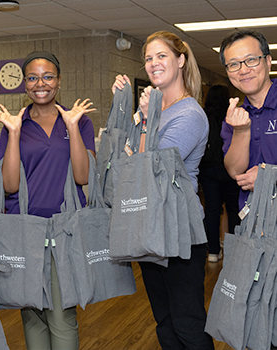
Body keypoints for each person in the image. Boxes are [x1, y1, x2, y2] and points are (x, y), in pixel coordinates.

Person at [112, 31, 214, 350]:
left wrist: (143, 121)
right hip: (150, 226)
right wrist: (141, 117)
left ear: (181, 60)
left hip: (180, 232)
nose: (153, 63)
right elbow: (123, 158)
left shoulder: (189, 114)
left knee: (187, 323)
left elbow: (149, 166)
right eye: (148, 58)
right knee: (165, 322)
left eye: (162, 56)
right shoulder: (153, 110)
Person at [0, 51, 95, 350]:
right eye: (33, 78)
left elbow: (83, 176)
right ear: (24, 84)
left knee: (61, 316)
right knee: (32, 312)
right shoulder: (15, 124)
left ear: (59, 81)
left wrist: (72, 127)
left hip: (64, 230)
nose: (40, 84)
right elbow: (9, 184)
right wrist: (14, 133)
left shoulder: (79, 121)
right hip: (25, 229)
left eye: (48, 76)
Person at [219, 30, 275, 209]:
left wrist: (270, 177)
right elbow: (235, 171)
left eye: (251, 60)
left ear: (267, 61)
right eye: (234, 64)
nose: (243, 70)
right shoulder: (235, 116)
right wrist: (241, 131)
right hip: (254, 221)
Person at [198, 84, 240, 262]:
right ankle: (234, 251)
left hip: (207, 169)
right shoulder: (230, 116)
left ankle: (213, 252)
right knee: (233, 210)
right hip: (229, 169)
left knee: (212, 210)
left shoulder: (202, 116)